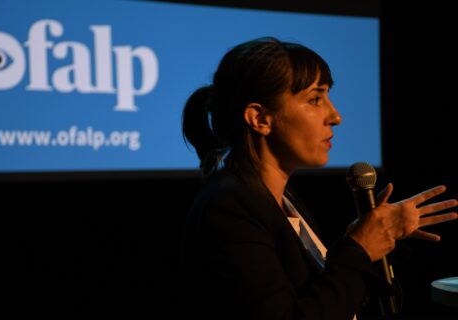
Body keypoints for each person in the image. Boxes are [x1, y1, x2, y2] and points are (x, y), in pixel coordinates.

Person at [177, 37, 457, 320]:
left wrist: (375, 238)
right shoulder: (228, 206)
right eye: (315, 99)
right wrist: (358, 249)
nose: (335, 116)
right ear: (260, 118)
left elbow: (319, 296)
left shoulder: (281, 200)